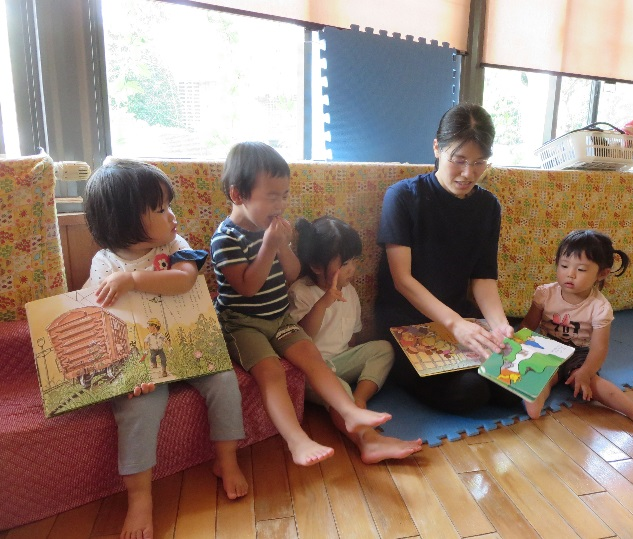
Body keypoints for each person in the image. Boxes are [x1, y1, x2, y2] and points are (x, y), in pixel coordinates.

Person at [84, 159, 248, 539]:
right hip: (142, 361)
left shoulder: (175, 246)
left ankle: (226, 460)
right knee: (136, 411)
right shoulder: (104, 263)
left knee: (224, 382)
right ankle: (139, 497)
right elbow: (104, 320)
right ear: (125, 220)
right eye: (160, 209)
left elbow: (185, 280)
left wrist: (133, 279)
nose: (172, 216)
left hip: (189, 347)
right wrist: (128, 375)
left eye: (168, 206)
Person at [211, 141, 392, 467]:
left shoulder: (269, 229)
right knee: (271, 372)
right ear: (238, 195)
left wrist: (281, 246)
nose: (280, 204)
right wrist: (269, 245)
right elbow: (247, 288)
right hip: (242, 325)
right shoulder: (226, 238)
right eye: (272, 196)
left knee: (311, 355)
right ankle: (297, 441)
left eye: (284, 195)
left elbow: (292, 273)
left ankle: (350, 411)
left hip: (278, 319)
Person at [375, 103, 520, 413]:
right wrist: (456, 325)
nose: (469, 173)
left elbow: (483, 278)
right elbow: (402, 280)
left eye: (479, 162)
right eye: (459, 160)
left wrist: (500, 327)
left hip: (460, 320)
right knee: (470, 391)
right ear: (437, 148)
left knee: (516, 385)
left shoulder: (488, 206)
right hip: (406, 325)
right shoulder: (403, 196)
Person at [288, 216, 423, 463]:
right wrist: (323, 303)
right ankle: (368, 441)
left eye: (354, 260)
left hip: (340, 360)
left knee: (384, 348)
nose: (352, 269)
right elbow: (301, 339)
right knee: (337, 385)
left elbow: (351, 339)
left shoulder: (350, 291)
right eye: (345, 263)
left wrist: (355, 361)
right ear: (317, 266)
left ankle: (358, 400)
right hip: (311, 372)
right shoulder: (301, 292)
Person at [519, 229, 633, 442]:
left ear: (601, 274)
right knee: (542, 374)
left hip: (580, 354)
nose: (570, 274)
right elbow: (528, 326)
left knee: (594, 383)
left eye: (581, 269)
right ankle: (533, 398)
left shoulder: (599, 307)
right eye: (564, 266)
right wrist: (513, 346)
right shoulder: (545, 293)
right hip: (547, 347)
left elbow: (599, 348)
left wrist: (585, 373)